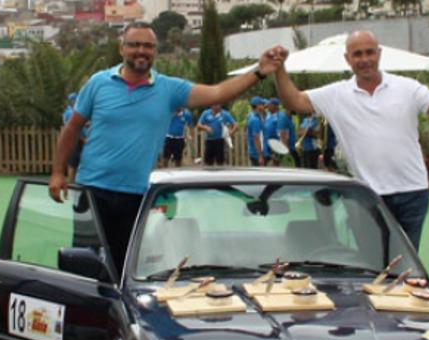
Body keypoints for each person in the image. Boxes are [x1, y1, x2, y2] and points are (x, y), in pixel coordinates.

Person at [49, 21, 285, 276]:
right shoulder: (98, 83)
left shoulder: (169, 89)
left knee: (125, 269)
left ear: (155, 52)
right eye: (135, 45)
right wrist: (58, 172)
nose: (142, 51)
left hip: (137, 195)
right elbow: (72, 128)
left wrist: (259, 72)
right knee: (84, 267)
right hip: (92, 191)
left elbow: (217, 92)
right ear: (122, 49)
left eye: (148, 46)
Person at [273, 29, 429, 247]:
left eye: (369, 52)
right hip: (366, 196)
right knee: (373, 264)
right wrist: (279, 69)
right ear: (347, 59)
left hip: (412, 192)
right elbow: (294, 101)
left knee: (407, 265)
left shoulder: (407, 88)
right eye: (357, 54)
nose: (365, 59)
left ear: (379, 54)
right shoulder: (335, 95)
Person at [246, 97, 268, 167]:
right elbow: (256, 138)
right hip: (256, 154)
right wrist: (260, 156)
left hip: (255, 152)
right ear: (257, 105)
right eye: (262, 104)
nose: (264, 106)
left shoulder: (254, 116)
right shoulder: (255, 120)